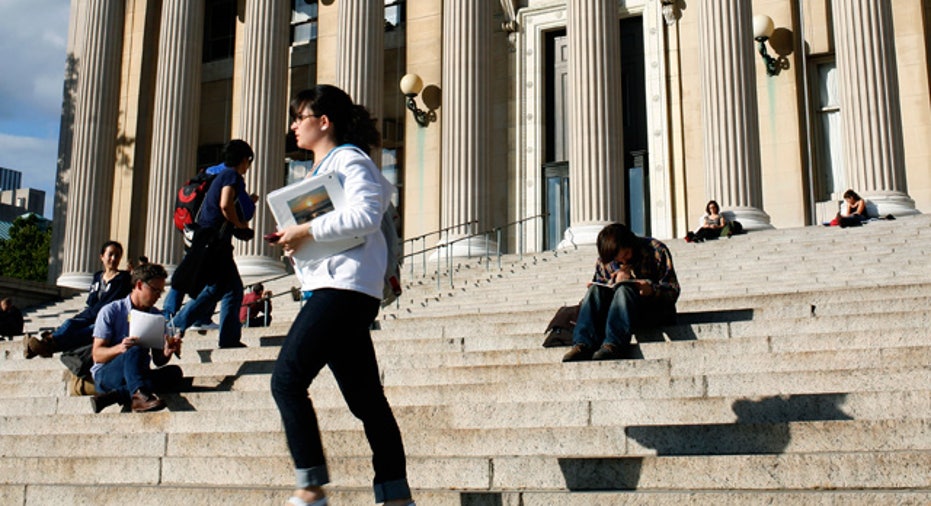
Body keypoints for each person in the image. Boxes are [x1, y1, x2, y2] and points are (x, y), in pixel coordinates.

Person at [269, 85, 415, 506]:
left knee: (287, 380)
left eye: (300, 116)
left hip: (344, 289)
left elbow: (368, 215)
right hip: (335, 286)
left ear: (324, 121)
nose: (294, 125)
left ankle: (310, 487)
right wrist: (294, 239)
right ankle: (396, 495)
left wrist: (307, 230)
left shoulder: (350, 159)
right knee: (367, 401)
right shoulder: (318, 172)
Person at [169, 139, 257, 349]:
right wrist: (241, 225)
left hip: (211, 239)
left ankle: (226, 338)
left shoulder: (222, 175)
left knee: (228, 290)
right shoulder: (232, 175)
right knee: (223, 290)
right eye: (249, 161)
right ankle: (177, 325)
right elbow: (225, 204)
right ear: (244, 159)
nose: (248, 167)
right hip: (216, 242)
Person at [563, 223, 680, 362]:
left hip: (651, 311)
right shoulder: (605, 260)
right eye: (618, 260)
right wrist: (607, 285)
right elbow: (600, 288)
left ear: (631, 243)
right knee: (595, 289)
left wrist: (651, 290)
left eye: (626, 254)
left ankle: (613, 345)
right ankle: (582, 344)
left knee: (625, 289)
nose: (623, 260)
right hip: (617, 314)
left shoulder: (656, 250)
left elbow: (673, 289)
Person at [90, 262, 182, 413]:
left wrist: (167, 351)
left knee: (174, 373)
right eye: (155, 290)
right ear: (139, 285)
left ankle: (115, 396)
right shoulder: (111, 311)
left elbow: (158, 361)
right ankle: (139, 395)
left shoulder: (156, 316)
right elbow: (97, 355)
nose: (158, 296)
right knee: (135, 348)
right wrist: (121, 348)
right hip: (108, 373)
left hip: (137, 373)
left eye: (161, 291)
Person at [25, 241, 132, 358]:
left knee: (87, 331)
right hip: (91, 314)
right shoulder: (97, 277)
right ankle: (44, 346)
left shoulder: (123, 278)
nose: (113, 258)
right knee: (69, 324)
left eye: (117, 255)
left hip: (108, 318)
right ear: (102, 256)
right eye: (110, 254)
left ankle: (43, 346)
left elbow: (107, 303)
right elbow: (92, 301)